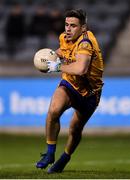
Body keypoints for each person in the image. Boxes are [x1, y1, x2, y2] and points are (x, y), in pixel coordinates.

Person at [36, 9, 104, 173]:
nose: (68, 29)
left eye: (73, 26)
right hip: (70, 84)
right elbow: (62, 51)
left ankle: (64, 158)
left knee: (75, 129)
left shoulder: (86, 42)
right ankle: (50, 153)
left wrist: (57, 67)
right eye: (66, 24)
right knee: (53, 110)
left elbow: (81, 68)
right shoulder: (64, 38)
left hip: (90, 93)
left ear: (83, 28)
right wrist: (48, 58)